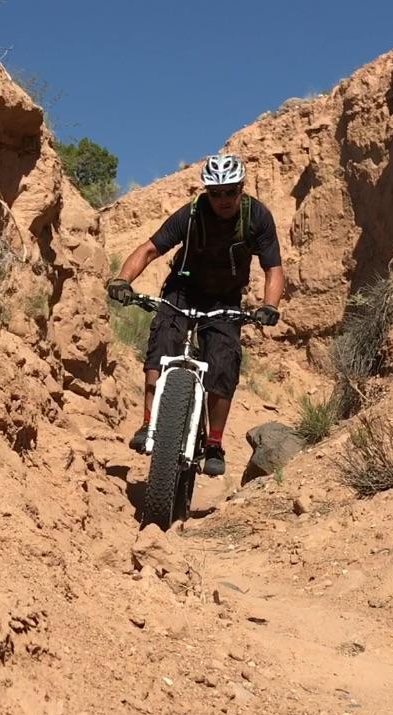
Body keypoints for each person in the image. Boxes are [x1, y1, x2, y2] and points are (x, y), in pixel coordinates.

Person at [106, 154, 285, 476]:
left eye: (230, 191)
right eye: (216, 193)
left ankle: (214, 443)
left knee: (224, 361)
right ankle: (148, 424)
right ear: (207, 192)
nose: (223, 199)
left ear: (241, 188)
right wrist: (122, 280)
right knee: (162, 343)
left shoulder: (256, 216)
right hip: (183, 288)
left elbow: (272, 267)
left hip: (226, 297)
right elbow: (149, 249)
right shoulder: (190, 214)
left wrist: (269, 306)